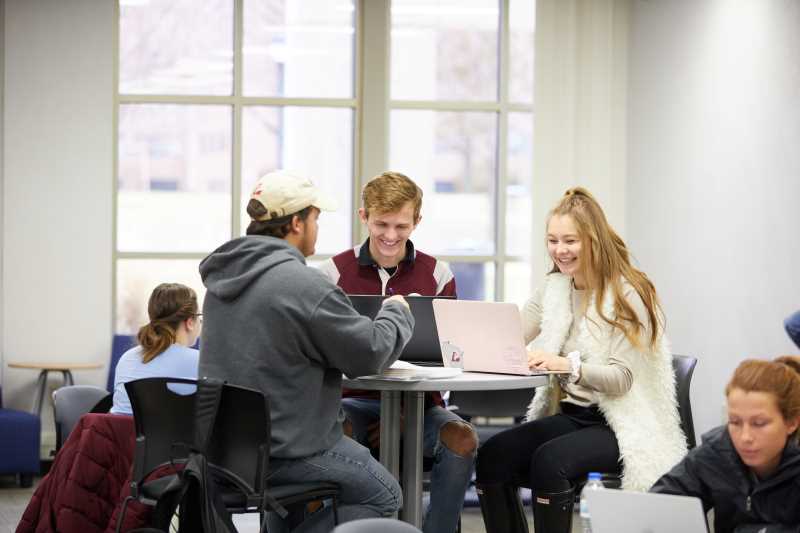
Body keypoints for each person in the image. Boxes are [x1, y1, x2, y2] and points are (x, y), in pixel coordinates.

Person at [198, 170, 415, 532]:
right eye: (316, 218)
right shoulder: (303, 285)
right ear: (296, 223)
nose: (317, 226)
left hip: (226, 451)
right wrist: (397, 311)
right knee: (384, 495)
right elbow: (370, 353)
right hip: (288, 451)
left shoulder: (222, 280)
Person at [475, 187, 687, 533]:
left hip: (621, 423)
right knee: (492, 455)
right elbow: (509, 334)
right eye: (552, 240)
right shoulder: (555, 288)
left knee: (549, 462)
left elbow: (622, 380)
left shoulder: (628, 292)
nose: (560, 250)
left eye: (570, 241)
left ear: (593, 240)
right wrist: (469, 339)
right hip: (574, 416)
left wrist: (566, 365)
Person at [318, 171, 477, 533]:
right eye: (381, 224)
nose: (390, 236)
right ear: (363, 217)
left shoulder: (437, 273)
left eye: (401, 225)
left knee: (463, 437)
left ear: (417, 221)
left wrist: (405, 413)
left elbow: (449, 356)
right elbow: (324, 353)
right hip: (353, 404)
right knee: (335, 429)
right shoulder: (332, 273)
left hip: (420, 406)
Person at [652, 356, 800, 533]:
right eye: (735, 422)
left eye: (759, 423)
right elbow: (659, 507)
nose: (745, 437)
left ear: (792, 422)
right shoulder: (716, 453)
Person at [110, 282, 200, 415]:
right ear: (190, 322)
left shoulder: (127, 358)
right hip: (173, 435)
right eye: (199, 317)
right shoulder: (199, 361)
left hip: (121, 435)